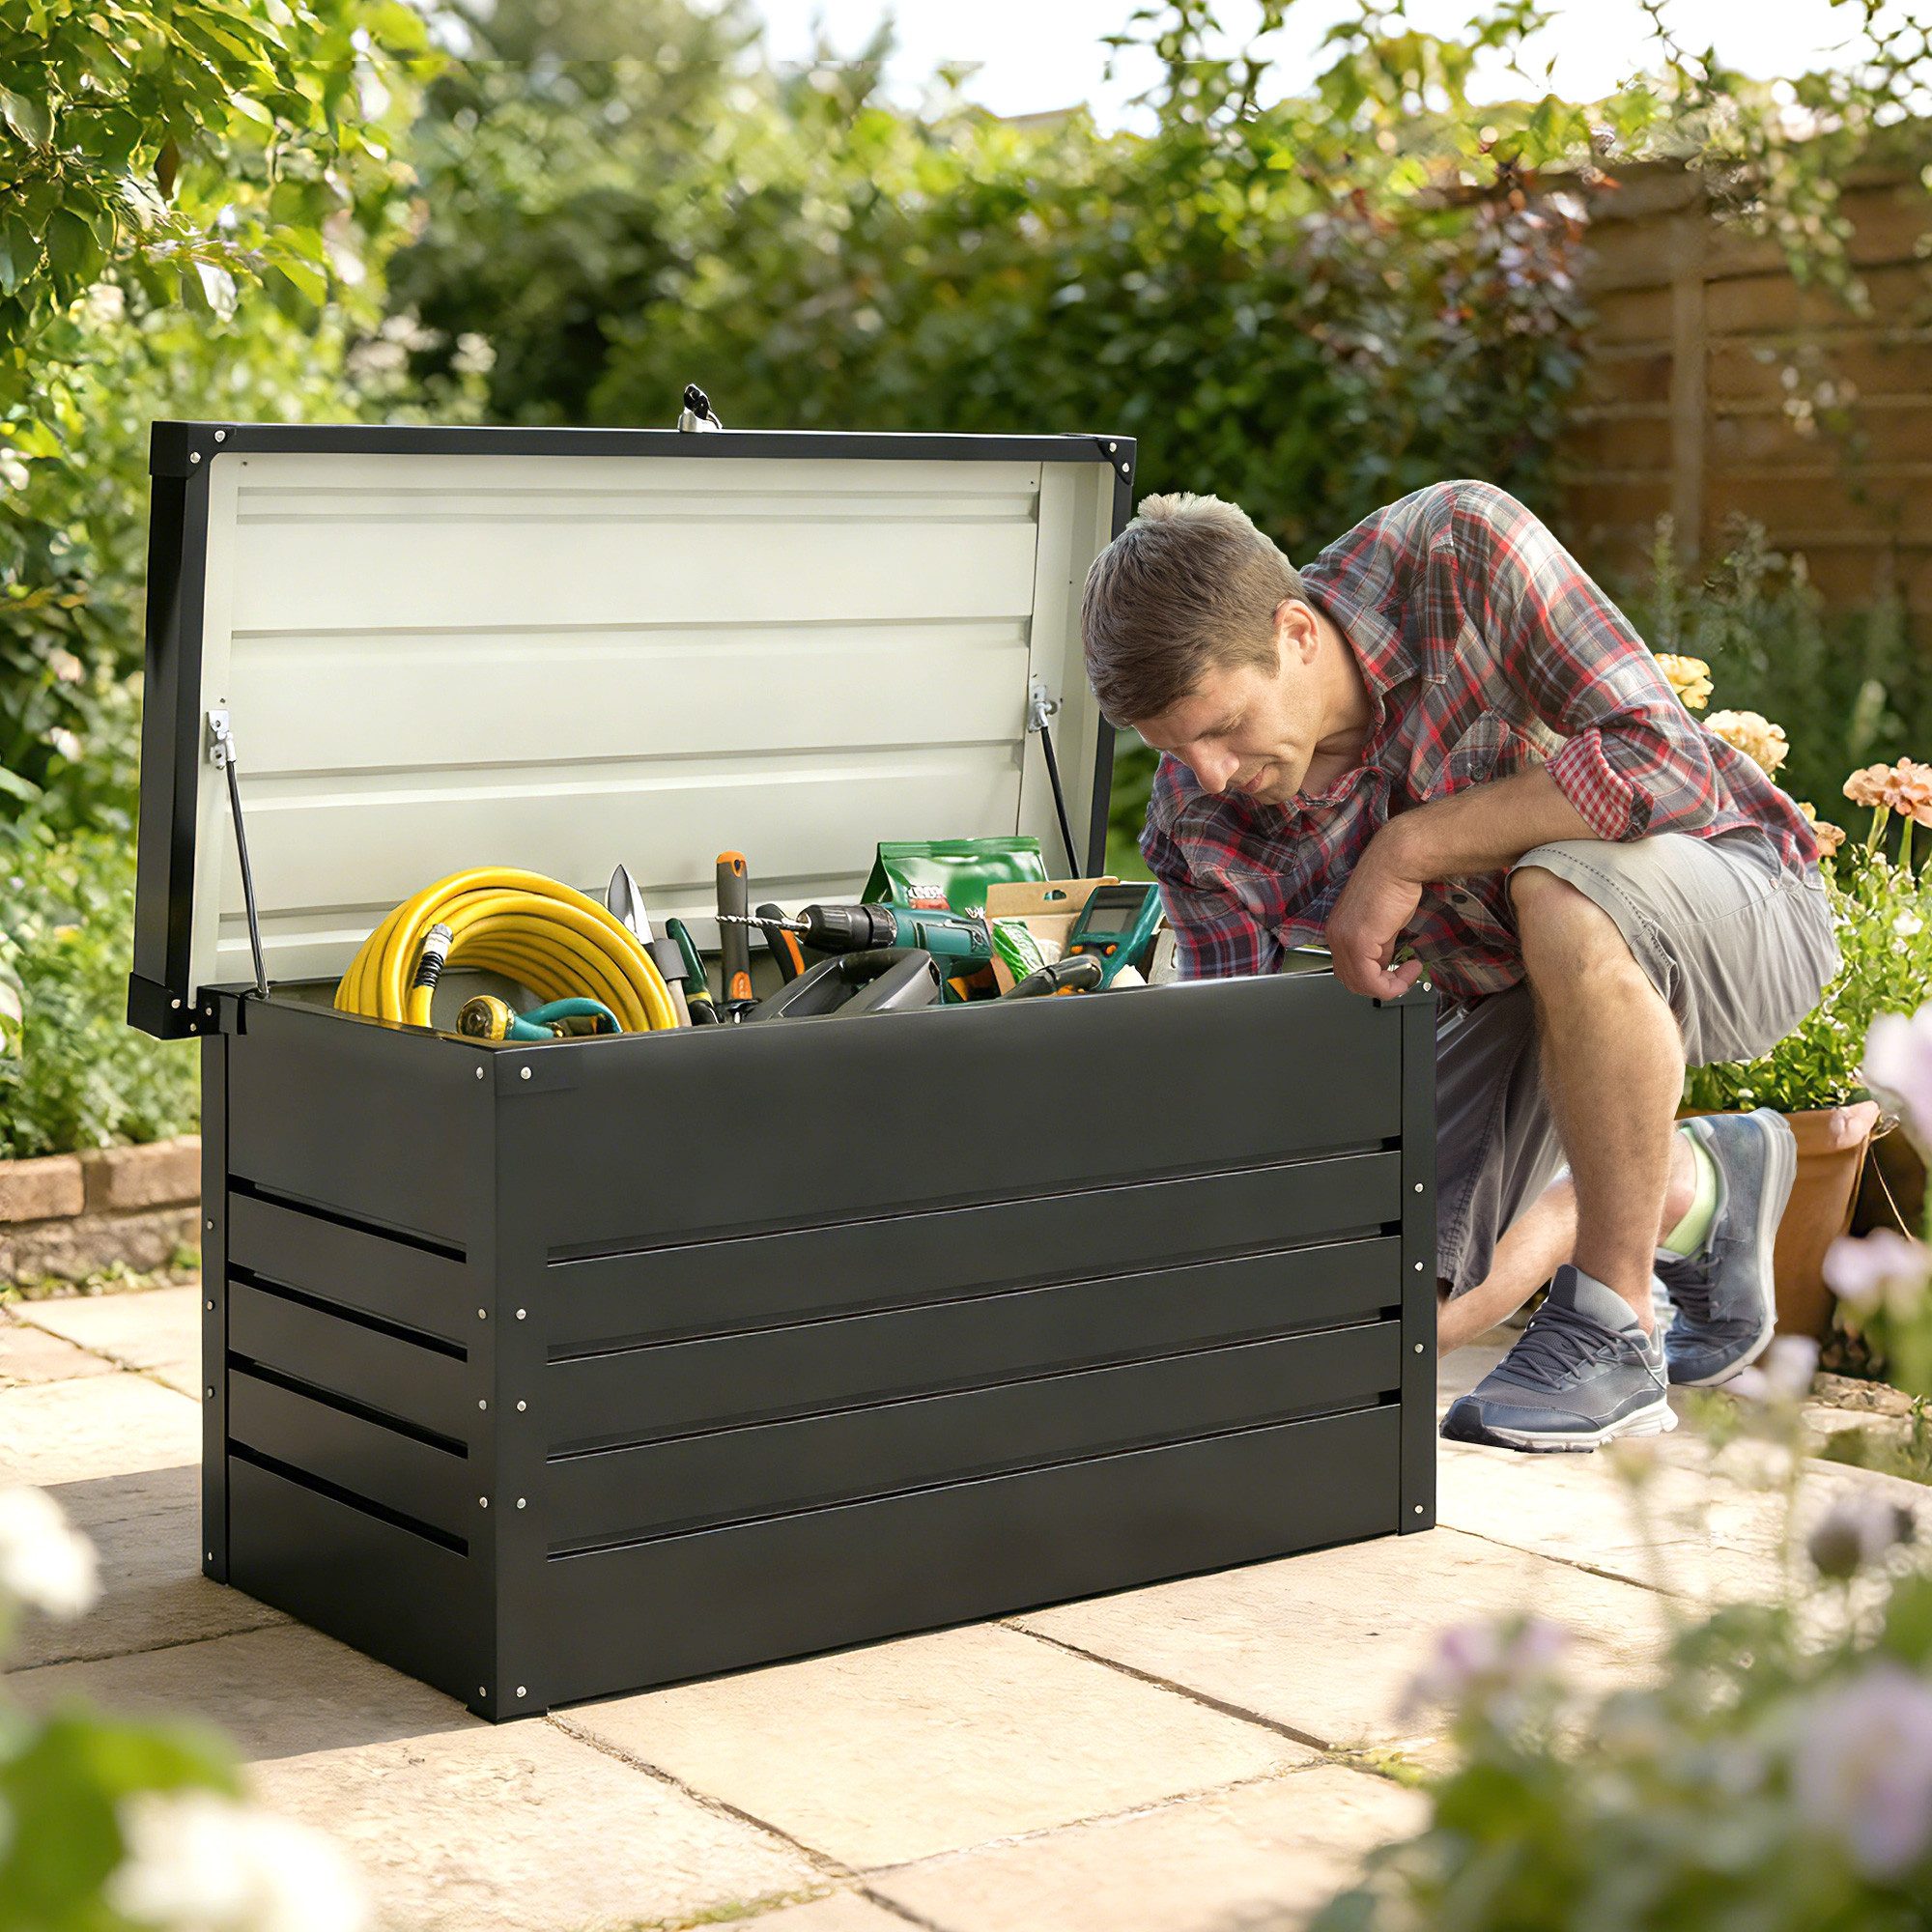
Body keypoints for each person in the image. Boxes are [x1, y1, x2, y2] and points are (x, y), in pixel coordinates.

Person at [1079, 481, 1839, 1453]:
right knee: (1395, 1322)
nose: (1211, 773)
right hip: (1508, 992)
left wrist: (1410, 846)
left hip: (1735, 902)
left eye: (1221, 727)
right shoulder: (1198, 829)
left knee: (1556, 890)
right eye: (1175, 749)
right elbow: (1243, 1092)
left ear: (1296, 634)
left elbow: (1666, 763)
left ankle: (1615, 1328)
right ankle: (1699, 1185)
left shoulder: (1455, 552)